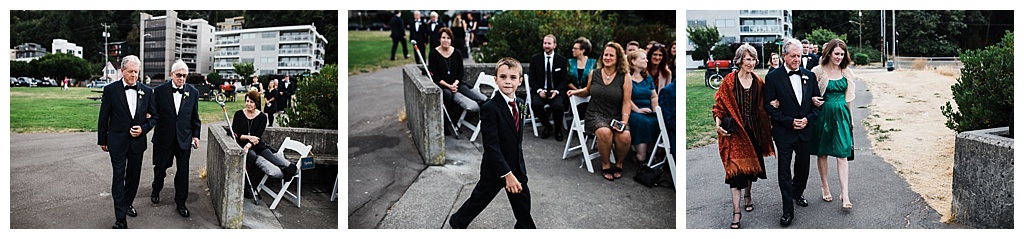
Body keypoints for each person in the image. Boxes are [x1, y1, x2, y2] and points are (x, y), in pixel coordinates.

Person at [449, 57, 536, 229]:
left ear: (520, 81)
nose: (507, 81)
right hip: (496, 169)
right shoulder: (490, 108)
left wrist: (515, 170)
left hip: (517, 166)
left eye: (512, 77)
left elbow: (516, 137)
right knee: (478, 201)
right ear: (495, 80)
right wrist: (507, 174)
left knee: (523, 206)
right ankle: (457, 222)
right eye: (503, 77)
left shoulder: (520, 103)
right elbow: (491, 146)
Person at [713, 44, 775, 229]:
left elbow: (766, 105)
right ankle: (736, 212)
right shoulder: (729, 81)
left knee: (749, 171)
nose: (751, 62)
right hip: (735, 133)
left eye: (754, 59)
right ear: (739, 60)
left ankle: (748, 195)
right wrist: (718, 125)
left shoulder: (758, 82)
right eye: (748, 59)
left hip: (754, 132)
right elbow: (719, 106)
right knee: (735, 173)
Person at [763, 38, 822, 226]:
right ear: (784, 56)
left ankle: (798, 193)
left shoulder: (809, 76)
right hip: (784, 132)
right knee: (784, 171)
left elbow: (817, 104)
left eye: (800, 55)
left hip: (805, 130)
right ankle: (787, 209)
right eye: (793, 56)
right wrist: (789, 122)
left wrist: (807, 119)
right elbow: (769, 105)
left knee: (803, 167)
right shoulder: (773, 77)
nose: (797, 59)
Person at [97, 55, 156, 229]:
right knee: (118, 177)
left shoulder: (147, 91)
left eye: (136, 72)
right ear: (122, 71)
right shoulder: (110, 90)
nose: (133, 75)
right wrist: (102, 139)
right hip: (117, 141)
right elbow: (103, 117)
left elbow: (154, 117)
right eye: (130, 71)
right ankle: (120, 217)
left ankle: (128, 203)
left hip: (137, 143)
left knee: (133, 176)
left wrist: (143, 129)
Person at [567, 42, 632, 181]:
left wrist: (624, 121)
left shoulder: (625, 76)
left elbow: (627, 102)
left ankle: (619, 163)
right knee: (604, 132)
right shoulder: (594, 73)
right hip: (595, 114)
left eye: (611, 55)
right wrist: (576, 92)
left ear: (618, 58)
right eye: (605, 55)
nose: (607, 57)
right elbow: (587, 91)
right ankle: (606, 164)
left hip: (616, 115)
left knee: (625, 136)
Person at [149, 59, 201, 218]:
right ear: (171, 75)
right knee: (160, 168)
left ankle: (181, 202)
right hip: (163, 138)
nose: (182, 78)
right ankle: (156, 189)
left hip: (184, 139)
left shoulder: (193, 92)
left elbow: (195, 117)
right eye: (179, 75)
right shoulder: (159, 91)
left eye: (185, 76)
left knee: (183, 172)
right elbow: (153, 114)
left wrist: (196, 135)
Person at [809, 38, 856, 209]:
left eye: (842, 54)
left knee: (842, 153)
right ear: (829, 53)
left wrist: (851, 120)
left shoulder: (847, 72)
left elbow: (849, 98)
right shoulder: (817, 71)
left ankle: (845, 193)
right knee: (823, 153)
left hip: (842, 113)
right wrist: (813, 99)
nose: (839, 57)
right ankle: (824, 185)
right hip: (823, 115)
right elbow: (810, 94)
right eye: (837, 53)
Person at [234, 91, 298, 186]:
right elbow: (236, 133)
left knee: (268, 153)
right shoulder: (239, 114)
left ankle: (286, 169)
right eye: (247, 101)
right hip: (242, 144)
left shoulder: (262, 117)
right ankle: (249, 184)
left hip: (256, 144)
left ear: (256, 103)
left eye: (251, 102)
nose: (248, 104)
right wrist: (249, 138)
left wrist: (249, 143)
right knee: (252, 155)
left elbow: (258, 136)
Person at [429, 27, 487, 128]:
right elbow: (435, 76)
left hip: (456, 83)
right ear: (439, 39)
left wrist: (455, 84)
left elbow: (460, 73)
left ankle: (486, 107)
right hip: (443, 85)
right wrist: (449, 86)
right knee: (447, 95)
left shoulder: (457, 53)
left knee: (467, 91)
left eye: (448, 38)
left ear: (451, 40)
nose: (446, 40)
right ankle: (448, 123)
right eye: (443, 37)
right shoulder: (433, 54)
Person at [529, 34, 568, 141]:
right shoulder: (536, 59)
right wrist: (539, 90)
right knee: (536, 105)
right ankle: (547, 126)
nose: (546, 45)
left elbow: (564, 80)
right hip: (541, 90)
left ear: (554, 45)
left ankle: (558, 130)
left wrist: (556, 91)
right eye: (545, 43)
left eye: (549, 43)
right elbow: (532, 78)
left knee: (558, 106)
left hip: (555, 91)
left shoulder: (562, 60)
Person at [626, 49, 659, 164]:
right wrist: (638, 110)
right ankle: (641, 156)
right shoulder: (626, 78)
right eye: (643, 58)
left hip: (648, 109)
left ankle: (651, 152)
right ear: (633, 61)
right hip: (633, 110)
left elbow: (654, 96)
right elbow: (626, 99)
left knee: (657, 120)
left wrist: (655, 110)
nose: (647, 60)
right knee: (641, 121)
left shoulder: (647, 78)